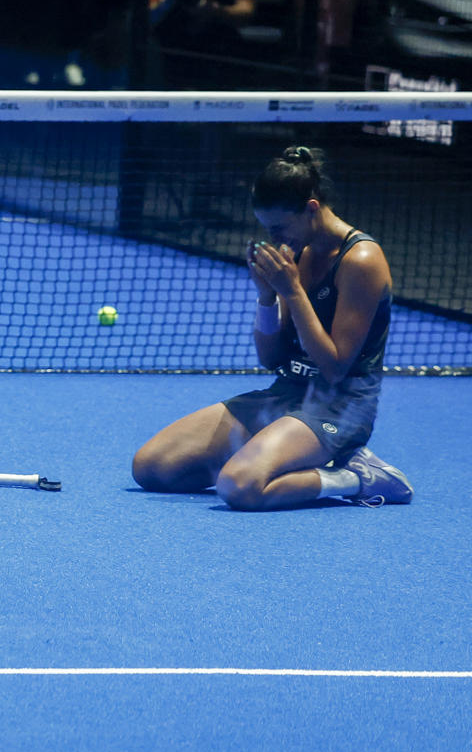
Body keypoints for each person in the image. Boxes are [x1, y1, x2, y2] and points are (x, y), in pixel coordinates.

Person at [132, 146, 413, 510]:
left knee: (239, 487)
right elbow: (271, 358)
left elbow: (335, 366)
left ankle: (357, 476)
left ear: (311, 209)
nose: (277, 238)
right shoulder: (296, 249)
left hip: (340, 408)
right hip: (286, 395)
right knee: (152, 467)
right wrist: (267, 298)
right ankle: (276, 455)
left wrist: (293, 291)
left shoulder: (361, 259)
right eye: (268, 229)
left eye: (280, 227)